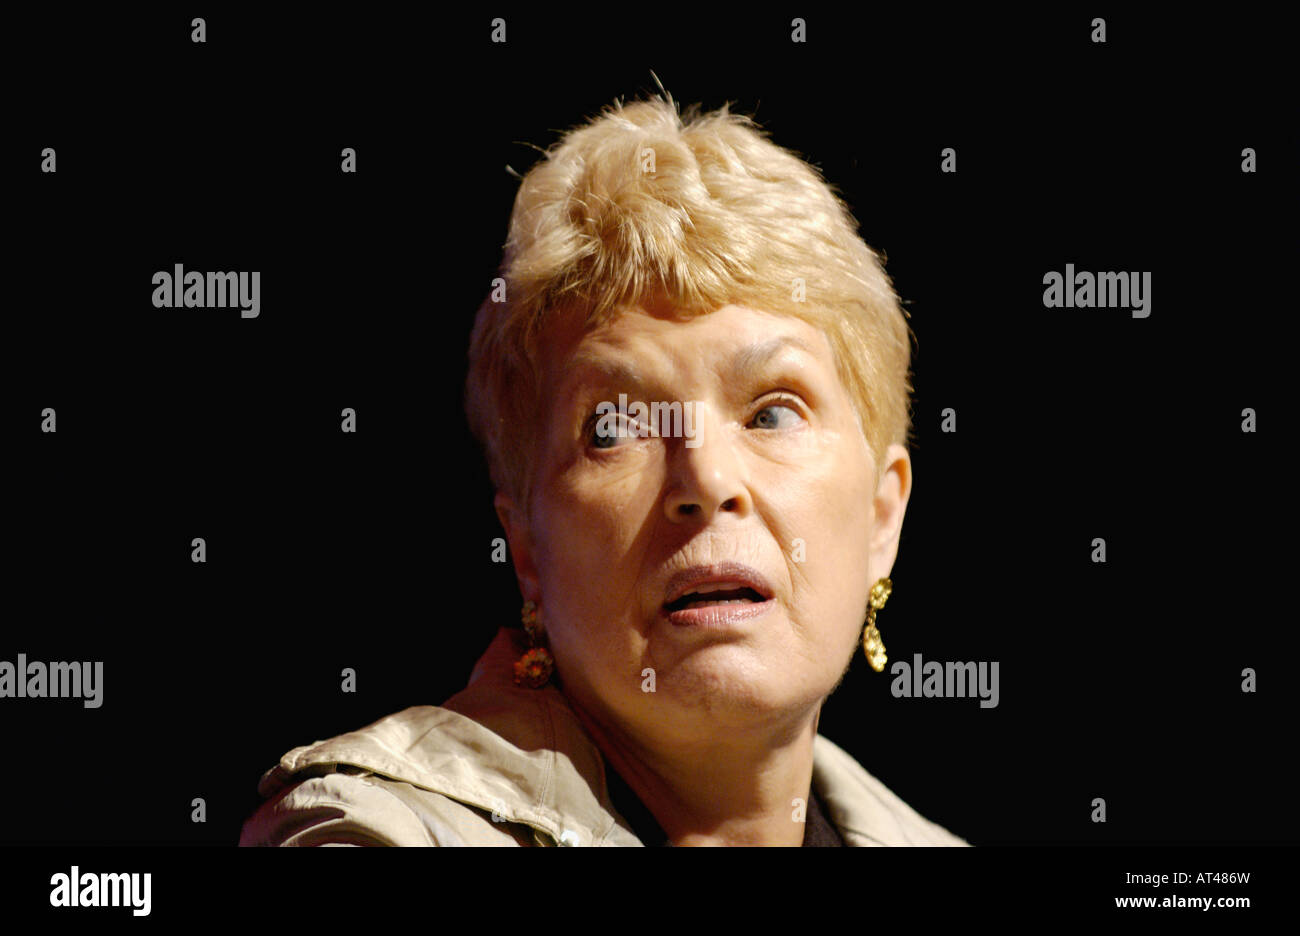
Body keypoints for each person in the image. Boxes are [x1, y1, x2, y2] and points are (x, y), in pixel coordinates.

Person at [240, 94, 968, 846]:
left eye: (771, 413)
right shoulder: (369, 833)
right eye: (616, 428)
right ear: (526, 550)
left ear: (882, 516)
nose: (707, 482)